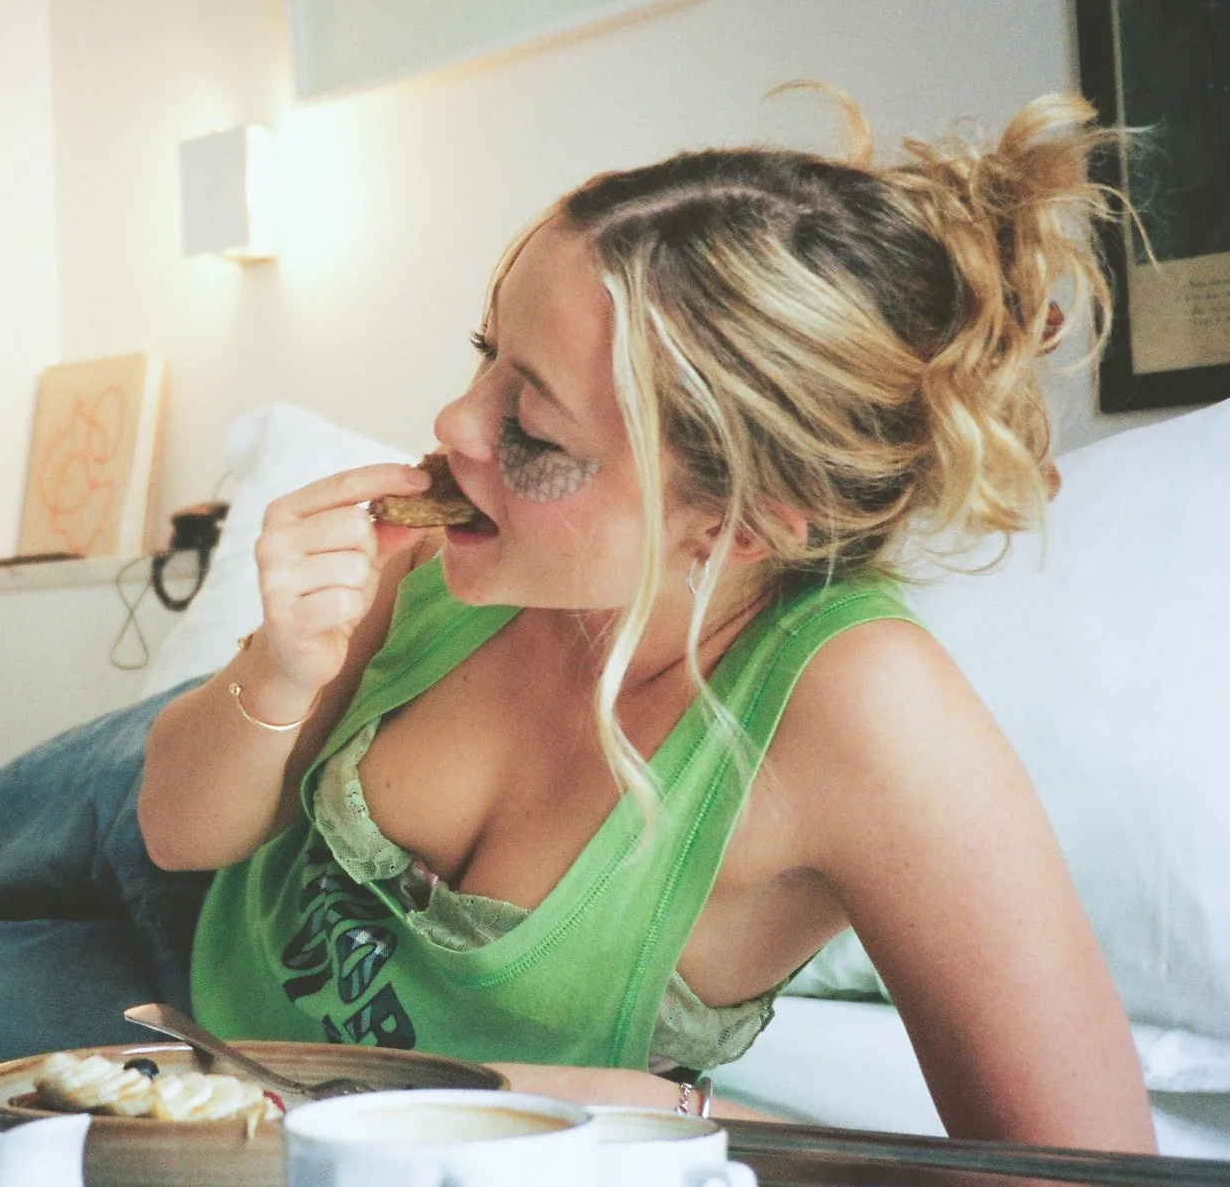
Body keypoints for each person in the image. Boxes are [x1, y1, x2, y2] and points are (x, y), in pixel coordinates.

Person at [138, 92, 1158, 1152]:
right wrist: (282, 672)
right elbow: (172, 835)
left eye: (528, 422)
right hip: (188, 838)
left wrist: (664, 1116)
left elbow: (1086, 1172)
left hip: (216, 1059)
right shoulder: (467, 549)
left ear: (743, 522)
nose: (449, 426)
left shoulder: (867, 714)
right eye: (484, 353)